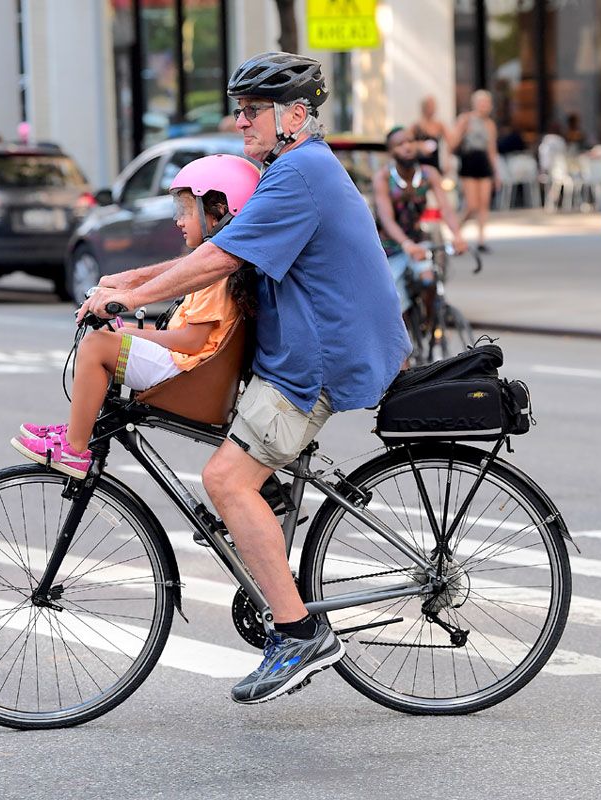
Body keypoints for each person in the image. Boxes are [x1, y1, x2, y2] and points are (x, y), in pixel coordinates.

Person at [74, 52, 411, 705]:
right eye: (239, 109)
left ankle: (298, 633)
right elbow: (211, 256)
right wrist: (128, 284)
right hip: (297, 350)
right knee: (229, 449)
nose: (240, 121)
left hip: (315, 360)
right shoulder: (293, 170)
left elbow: (218, 257)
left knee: (225, 479)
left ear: (294, 115)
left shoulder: (300, 175)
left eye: (251, 109)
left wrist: (126, 298)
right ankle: (273, 499)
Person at [11, 154, 260, 476]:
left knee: (96, 347)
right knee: (106, 340)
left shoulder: (215, 274)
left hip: (190, 373)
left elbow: (193, 340)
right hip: (190, 367)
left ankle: (74, 447)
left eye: (185, 210)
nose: (178, 220)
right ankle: (77, 431)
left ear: (220, 211)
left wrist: (131, 333)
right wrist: (129, 329)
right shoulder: (211, 265)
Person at [374, 126, 467, 322]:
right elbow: (386, 219)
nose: (407, 147)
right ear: (391, 151)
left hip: (418, 241)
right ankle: (407, 340)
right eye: (400, 144)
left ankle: (430, 325)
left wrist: (457, 235)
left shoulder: (428, 173)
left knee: (428, 279)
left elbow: (446, 209)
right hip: (391, 247)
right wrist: (406, 244)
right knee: (396, 305)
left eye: (410, 141)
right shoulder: (383, 177)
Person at [450, 89, 500, 253]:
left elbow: (492, 150)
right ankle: (457, 233)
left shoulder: (490, 124)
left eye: (487, 102)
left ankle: (481, 239)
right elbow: (452, 142)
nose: (484, 106)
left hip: (483, 162)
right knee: (471, 205)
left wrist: (496, 173)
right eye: (481, 102)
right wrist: (464, 133)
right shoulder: (465, 119)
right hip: (469, 160)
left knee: (484, 203)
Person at [411, 95, 450, 173]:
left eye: (433, 106)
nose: (432, 109)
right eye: (429, 106)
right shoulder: (416, 125)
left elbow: (449, 143)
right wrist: (419, 145)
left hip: (435, 164)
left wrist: (447, 160)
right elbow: (408, 142)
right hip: (419, 163)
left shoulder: (439, 125)